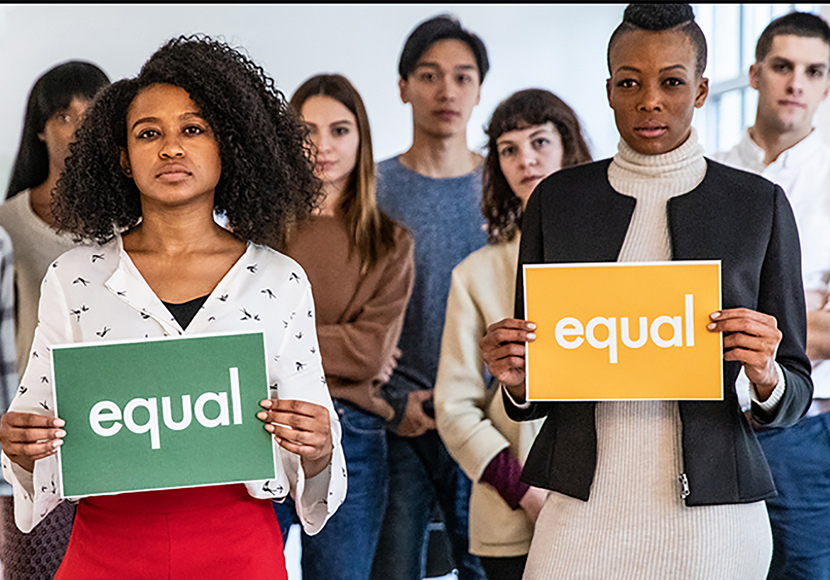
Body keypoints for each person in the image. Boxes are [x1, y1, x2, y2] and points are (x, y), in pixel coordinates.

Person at [480, 4, 813, 578]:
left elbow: (795, 390)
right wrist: (515, 377)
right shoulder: (557, 202)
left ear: (702, 89)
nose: (650, 100)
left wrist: (766, 376)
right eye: (630, 82)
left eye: (672, 82)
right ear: (609, 89)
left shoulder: (756, 206)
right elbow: (536, 379)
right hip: (579, 511)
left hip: (715, 519)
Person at [0, 35, 346, 578]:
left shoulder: (280, 280)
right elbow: (36, 442)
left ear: (227, 145)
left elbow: (315, 458)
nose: (170, 148)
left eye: (192, 129)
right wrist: (20, 446)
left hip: (239, 550)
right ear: (121, 157)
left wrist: (319, 448)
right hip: (104, 550)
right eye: (148, 133)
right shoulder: (74, 278)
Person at [434, 88, 592, 580]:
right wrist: (524, 492)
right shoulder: (474, 274)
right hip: (513, 519)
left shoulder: (623, 258)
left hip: (614, 512)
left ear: (568, 147)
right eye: (509, 149)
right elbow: (454, 407)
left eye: (540, 141)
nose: (526, 159)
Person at [271, 73, 415, 580]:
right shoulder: (255, 234)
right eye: (307, 131)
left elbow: (370, 354)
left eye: (339, 130)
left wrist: (277, 336)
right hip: (259, 425)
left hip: (351, 432)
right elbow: (231, 340)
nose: (323, 146)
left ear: (361, 139)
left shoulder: (389, 242)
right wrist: (334, 340)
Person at [370, 14, 489, 580]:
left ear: (479, 90)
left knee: (484, 565)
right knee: (392, 568)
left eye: (463, 77)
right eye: (430, 75)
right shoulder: (370, 189)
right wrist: (393, 403)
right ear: (403, 87)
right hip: (399, 419)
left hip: (486, 419)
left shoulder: (504, 189)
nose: (447, 91)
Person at [712, 12, 830, 579]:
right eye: (783, 67)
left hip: (808, 427)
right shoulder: (708, 177)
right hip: (716, 423)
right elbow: (689, 309)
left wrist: (755, 317)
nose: (796, 83)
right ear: (755, 73)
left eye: (813, 71)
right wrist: (806, 308)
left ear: (827, 85)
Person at [0, 59, 110, 580]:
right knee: (32, 568)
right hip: (34, 429)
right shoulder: (8, 224)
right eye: (65, 116)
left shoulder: (127, 224)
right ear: (41, 128)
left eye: (92, 116)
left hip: (113, 419)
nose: (78, 129)